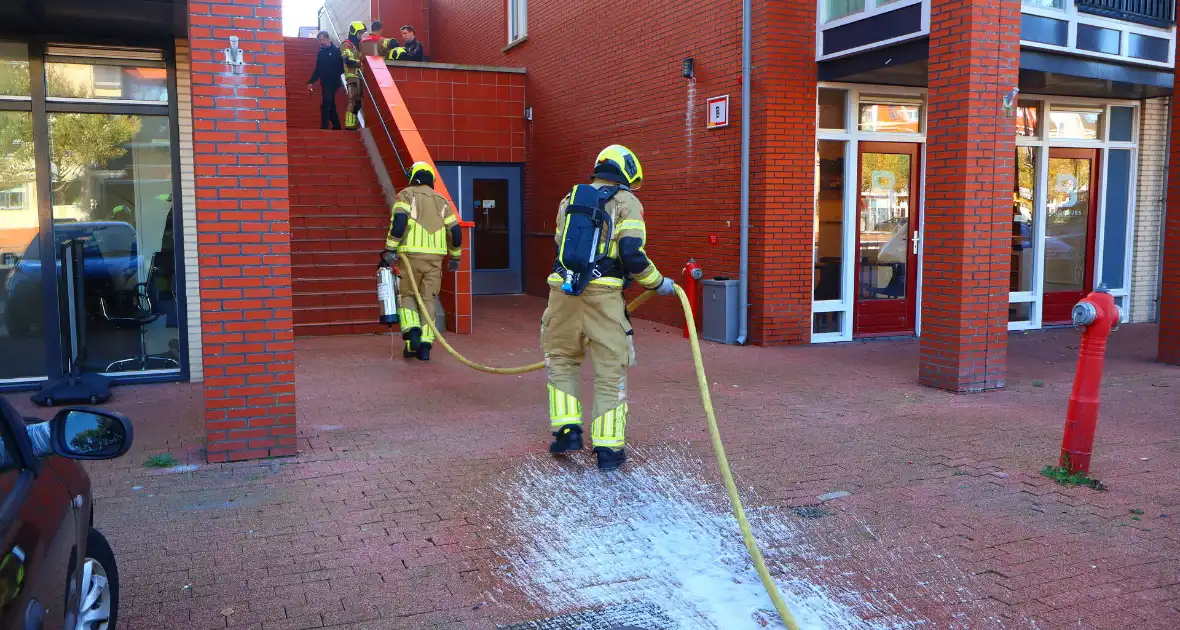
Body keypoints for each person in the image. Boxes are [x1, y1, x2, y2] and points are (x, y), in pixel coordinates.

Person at [543, 145, 674, 471]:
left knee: (562, 361)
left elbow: (560, 245)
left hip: (562, 292)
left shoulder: (569, 199)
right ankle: (608, 449)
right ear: (627, 171)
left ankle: (567, 432)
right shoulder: (627, 201)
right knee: (609, 370)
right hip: (604, 296)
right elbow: (632, 252)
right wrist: (657, 282)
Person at [380, 162, 462, 362]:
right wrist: (455, 257)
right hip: (435, 260)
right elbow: (455, 231)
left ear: (412, 175)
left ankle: (412, 333)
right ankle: (425, 345)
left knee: (407, 295)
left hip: (409, 258)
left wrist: (390, 249)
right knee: (428, 299)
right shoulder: (443, 201)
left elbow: (399, 224)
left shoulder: (405, 195)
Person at [306, 30, 343, 130]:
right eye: (320, 40)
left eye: (323, 39)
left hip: (334, 82)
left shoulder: (336, 51)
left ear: (328, 38)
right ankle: (336, 125)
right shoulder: (321, 53)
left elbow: (342, 67)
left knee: (326, 103)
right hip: (325, 83)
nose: (322, 42)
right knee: (330, 103)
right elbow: (318, 69)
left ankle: (324, 127)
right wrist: (311, 81)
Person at [341, 21, 366, 130]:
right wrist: (360, 63)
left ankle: (352, 124)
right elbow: (347, 59)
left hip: (359, 76)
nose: (361, 36)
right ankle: (349, 126)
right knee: (353, 100)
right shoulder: (346, 44)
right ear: (353, 32)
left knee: (358, 102)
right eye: (359, 33)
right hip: (352, 76)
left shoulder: (357, 46)